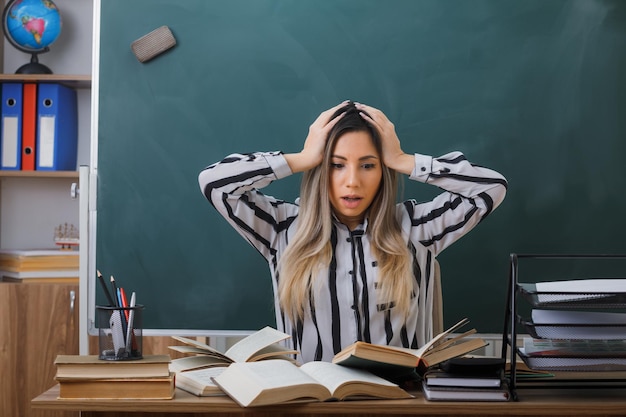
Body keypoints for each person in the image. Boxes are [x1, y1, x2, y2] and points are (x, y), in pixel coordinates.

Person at [198, 101, 507, 363]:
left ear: (383, 171)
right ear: (321, 169)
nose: (352, 181)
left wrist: (403, 160)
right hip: (311, 405)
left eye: (368, 165)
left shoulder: (415, 227)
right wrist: (302, 158)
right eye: (337, 165)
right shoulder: (282, 228)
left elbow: (491, 188)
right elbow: (215, 183)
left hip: (400, 405)